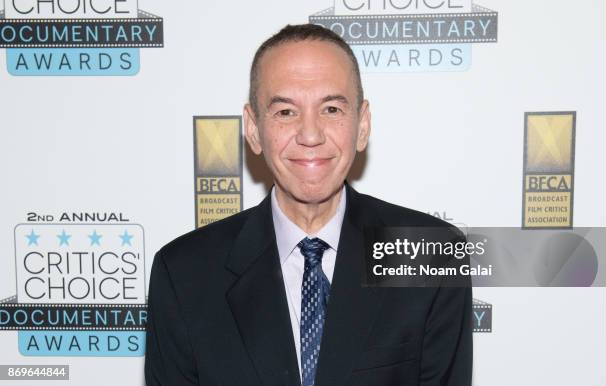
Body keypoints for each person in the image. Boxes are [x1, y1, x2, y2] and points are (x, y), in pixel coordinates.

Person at [145, 24, 472, 386]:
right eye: (285, 112)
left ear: (362, 125)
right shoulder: (183, 274)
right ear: (253, 129)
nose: (311, 135)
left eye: (331, 109)